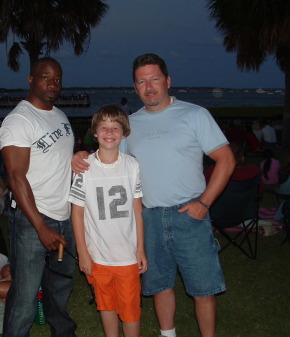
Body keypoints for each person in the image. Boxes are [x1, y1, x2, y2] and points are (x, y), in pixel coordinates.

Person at [73, 53, 235, 337]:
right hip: (148, 217)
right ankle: (167, 334)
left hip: (190, 215)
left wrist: (204, 203)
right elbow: (108, 157)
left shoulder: (195, 115)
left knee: (202, 289)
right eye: (141, 81)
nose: (149, 87)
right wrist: (82, 154)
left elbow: (226, 159)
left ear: (168, 81)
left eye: (155, 79)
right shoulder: (130, 126)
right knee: (160, 286)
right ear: (135, 87)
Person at [0, 57, 77, 337]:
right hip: (33, 221)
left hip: (63, 216)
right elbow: (16, 177)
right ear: (31, 79)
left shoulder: (59, 115)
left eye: (57, 78)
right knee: (25, 295)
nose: (52, 83)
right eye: (45, 77)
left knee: (60, 287)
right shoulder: (20, 120)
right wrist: (40, 226)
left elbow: (58, 161)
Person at [69, 105, 147, 337]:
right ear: (95, 132)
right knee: (106, 305)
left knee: (131, 309)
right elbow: (77, 212)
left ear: (124, 133)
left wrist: (140, 248)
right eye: (104, 127)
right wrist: (83, 253)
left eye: (116, 127)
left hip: (127, 255)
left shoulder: (132, 165)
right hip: (98, 254)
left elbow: (137, 209)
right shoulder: (85, 168)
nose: (110, 132)